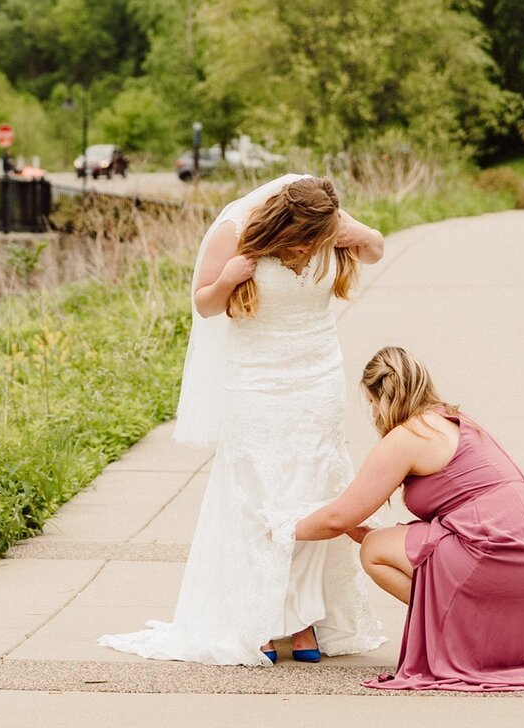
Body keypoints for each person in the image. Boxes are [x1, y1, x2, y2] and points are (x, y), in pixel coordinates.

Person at [102, 174, 387, 665]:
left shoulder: (327, 221)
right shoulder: (236, 232)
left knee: (315, 488)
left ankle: (301, 619)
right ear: (281, 222)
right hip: (255, 380)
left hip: (317, 374)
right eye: (299, 239)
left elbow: (375, 250)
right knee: (260, 494)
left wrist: (360, 235)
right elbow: (205, 306)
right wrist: (230, 278)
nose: (306, 248)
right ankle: (258, 617)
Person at [286, 347, 524, 691]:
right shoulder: (452, 420)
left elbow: (337, 518)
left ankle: (456, 633)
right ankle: (468, 631)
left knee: (374, 549)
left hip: (504, 552)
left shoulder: (408, 435)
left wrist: (286, 531)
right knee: (382, 539)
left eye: (371, 402)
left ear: (382, 397)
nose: (372, 412)